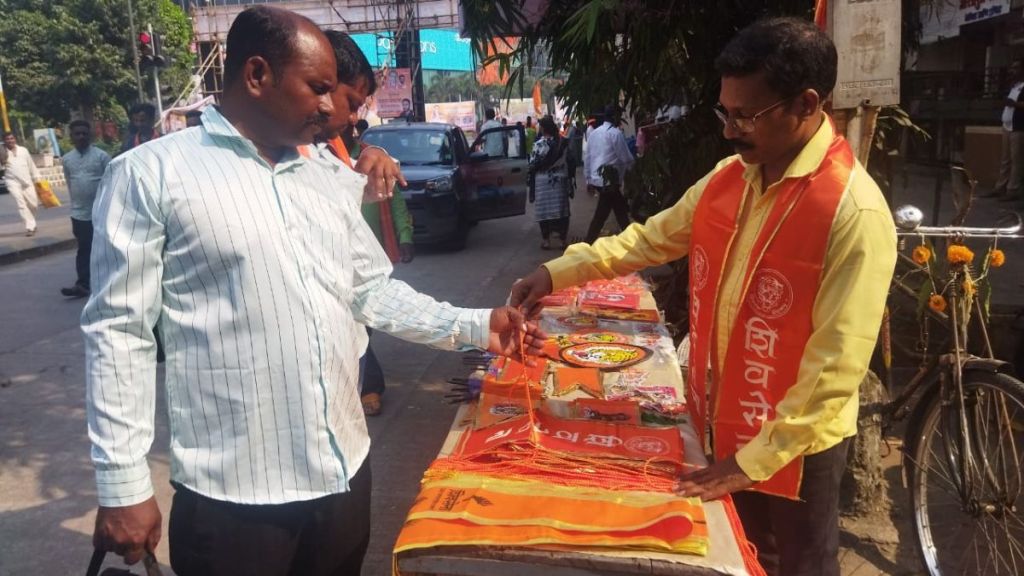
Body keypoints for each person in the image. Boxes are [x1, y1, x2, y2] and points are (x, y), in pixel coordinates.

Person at [84, 8, 545, 576]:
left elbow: (371, 292)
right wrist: (124, 482)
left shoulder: (327, 180)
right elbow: (118, 335)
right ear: (257, 75)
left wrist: (477, 325)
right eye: (319, 89)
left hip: (344, 475)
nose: (333, 107)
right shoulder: (150, 176)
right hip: (236, 500)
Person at [510, 17, 896, 576]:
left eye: (747, 115)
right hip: (723, 420)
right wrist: (555, 273)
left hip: (796, 446)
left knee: (800, 564)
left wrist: (749, 462)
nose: (730, 130)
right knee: (734, 555)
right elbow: (644, 240)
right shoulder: (728, 180)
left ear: (807, 104)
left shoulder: (852, 212)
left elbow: (836, 366)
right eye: (726, 111)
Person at [60, 120, 110, 298]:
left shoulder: (102, 156)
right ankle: (82, 284)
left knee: (104, 248)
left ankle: (106, 283)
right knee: (84, 249)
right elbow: (69, 182)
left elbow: (111, 182)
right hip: (79, 214)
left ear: (90, 135)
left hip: (101, 212)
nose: (81, 136)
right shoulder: (67, 159)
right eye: (77, 134)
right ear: (71, 136)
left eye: (84, 133)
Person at [583, 104, 634, 243]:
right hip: (610, 181)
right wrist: (635, 169)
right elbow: (625, 158)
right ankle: (588, 243)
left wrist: (588, 179)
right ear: (616, 118)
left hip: (598, 180)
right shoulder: (615, 134)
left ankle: (589, 242)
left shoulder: (594, 133)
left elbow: (587, 157)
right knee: (612, 213)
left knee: (616, 211)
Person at [528, 116, 571, 250]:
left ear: (543, 128)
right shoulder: (562, 142)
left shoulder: (539, 144)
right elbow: (570, 160)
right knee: (561, 210)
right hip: (560, 180)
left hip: (542, 182)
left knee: (544, 211)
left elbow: (532, 164)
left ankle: (546, 241)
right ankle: (562, 241)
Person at [987, 57, 1024, 204]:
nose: (1012, 70)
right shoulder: (1014, 86)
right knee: (1005, 159)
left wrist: (1014, 104)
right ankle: (1000, 187)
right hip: (1007, 126)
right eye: (1012, 68)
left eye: (1016, 68)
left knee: (1016, 160)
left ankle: (1012, 190)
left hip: (1018, 128)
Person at [1, 131, 41, 236]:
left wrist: (37, 177)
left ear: (15, 139)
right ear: (4, 141)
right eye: (7, 139)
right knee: (21, 204)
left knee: (34, 204)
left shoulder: (23, 150)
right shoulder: (2, 152)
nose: (10, 141)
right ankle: (30, 227)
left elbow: (31, 164)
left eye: (12, 138)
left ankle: (32, 221)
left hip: (27, 181)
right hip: (12, 181)